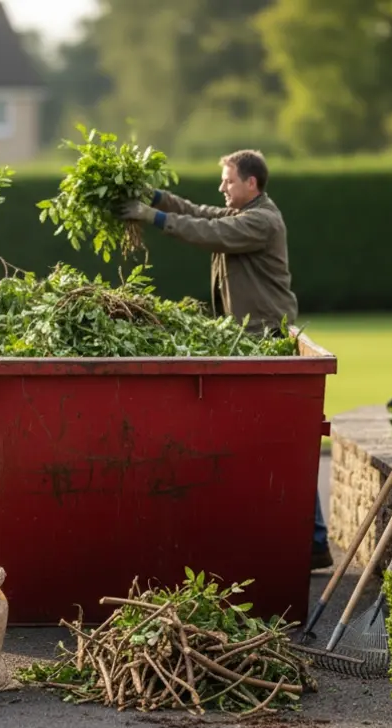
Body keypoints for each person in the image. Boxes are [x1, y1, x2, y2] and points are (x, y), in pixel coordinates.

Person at [116, 150, 333, 570]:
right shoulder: (243, 212)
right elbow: (199, 212)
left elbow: (207, 232)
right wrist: (155, 196)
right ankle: (308, 538)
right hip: (248, 341)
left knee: (285, 441)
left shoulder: (261, 221)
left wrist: (150, 216)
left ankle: (314, 540)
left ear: (251, 183)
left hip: (266, 343)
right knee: (275, 440)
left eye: (228, 180)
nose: (222, 187)